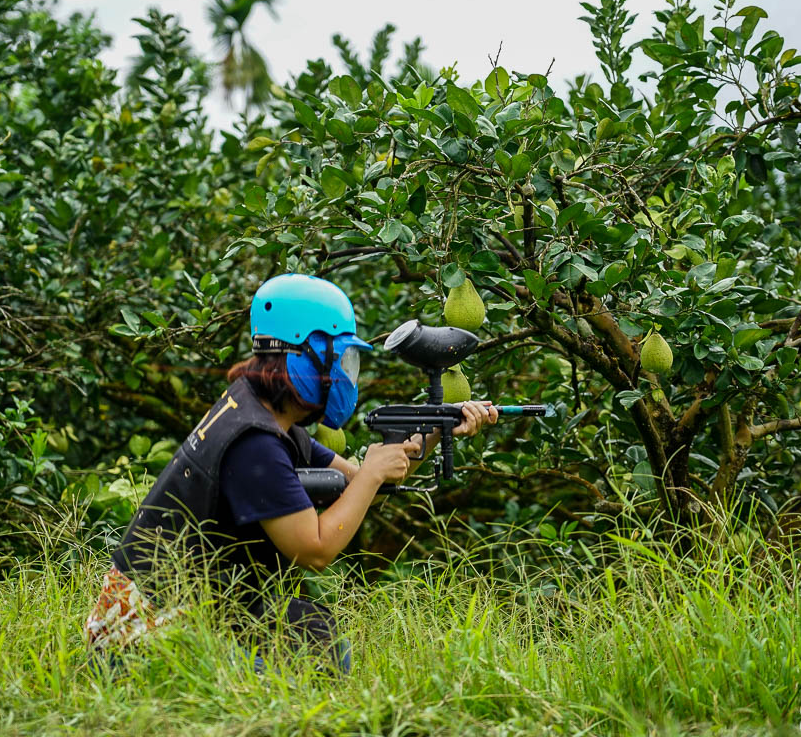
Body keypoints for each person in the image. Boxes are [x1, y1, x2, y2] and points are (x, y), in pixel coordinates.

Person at [85, 273, 497, 669]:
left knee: (312, 633)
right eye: (340, 359)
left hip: (177, 609)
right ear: (303, 355)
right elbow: (314, 550)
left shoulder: (263, 414)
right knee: (310, 648)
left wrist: (436, 432)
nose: (344, 376)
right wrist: (371, 473)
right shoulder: (255, 443)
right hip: (140, 639)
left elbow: (358, 481)